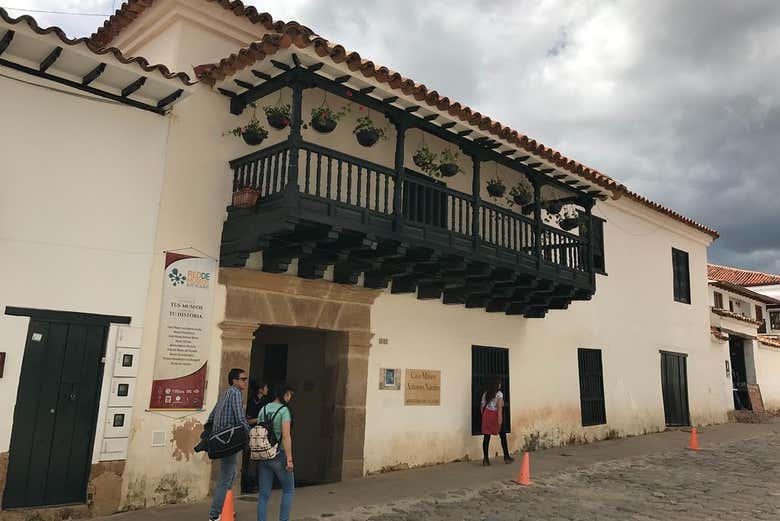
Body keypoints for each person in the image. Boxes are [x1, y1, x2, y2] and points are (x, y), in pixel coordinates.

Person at [207, 368, 251, 521]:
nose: (245, 381)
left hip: (221, 440)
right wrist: (249, 434)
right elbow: (240, 418)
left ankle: (225, 508)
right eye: (243, 379)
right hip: (230, 441)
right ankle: (214, 514)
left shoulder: (225, 393)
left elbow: (211, 416)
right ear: (235, 381)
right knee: (226, 478)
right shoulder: (236, 393)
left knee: (231, 475)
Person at [257, 382, 295, 521]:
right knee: (288, 490)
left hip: (264, 454)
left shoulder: (264, 409)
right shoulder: (284, 411)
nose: (290, 397)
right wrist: (289, 459)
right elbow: (286, 436)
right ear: (284, 394)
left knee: (263, 495)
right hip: (279, 454)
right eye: (289, 394)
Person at [480, 378, 514, 466]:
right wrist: (500, 419)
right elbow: (499, 408)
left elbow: (482, 406)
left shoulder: (485, 393)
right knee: (502, 435)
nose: (500, 385)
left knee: (486, 437)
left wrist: (484, 416)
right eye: (499, 383)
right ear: (497, 384)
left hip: (486, 415)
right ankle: (506, 457)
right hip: (495, 415)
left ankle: (486, 459)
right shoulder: (499, 394)